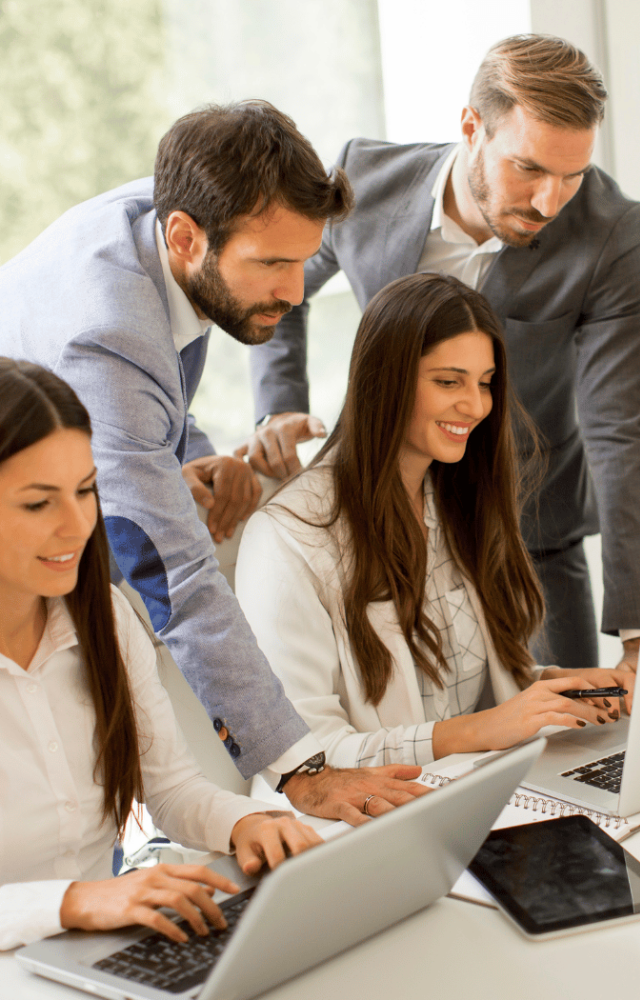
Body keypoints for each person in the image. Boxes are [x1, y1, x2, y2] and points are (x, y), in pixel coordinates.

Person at [0, 100, 428, 819]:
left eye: (302, 260)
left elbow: (152, 387)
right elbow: (176, 575)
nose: (295, 292)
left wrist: (190, 457)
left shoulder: (173, 213)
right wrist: (301, 772)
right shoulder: (107, 333)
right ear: (184, 238)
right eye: (272, 265)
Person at [242, 35, 640, 675]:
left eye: (572, 175)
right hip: (381, 525)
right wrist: (278, 406)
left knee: (578, 746)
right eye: (529, 169)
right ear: (472, 127)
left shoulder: (612, 231)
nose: (550, 202)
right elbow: (284, 282)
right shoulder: (366, 181)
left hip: (529, 540)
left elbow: (621, 430)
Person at [235, 273, 634, 767]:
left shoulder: (456, 497)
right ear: (385, 380)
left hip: (477, 789)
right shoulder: (287, 536)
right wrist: (481, 728)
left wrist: (544, 689)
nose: (476, 406)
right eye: (448, 381)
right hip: (371, 825)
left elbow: (455, 695)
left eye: (485, 384)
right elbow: (303, 758)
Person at [0, 359, 328, 951]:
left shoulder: (102, 616)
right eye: (37, 504)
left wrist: (247, 823)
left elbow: (171, 789)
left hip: (95, 958)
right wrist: (76, 900)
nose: (78, 526)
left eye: (85, 490)